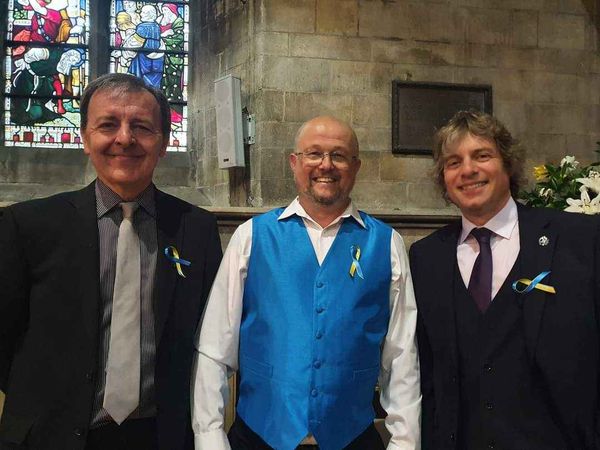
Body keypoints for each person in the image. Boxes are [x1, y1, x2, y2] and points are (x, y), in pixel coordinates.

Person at [0, 73, 222, 450]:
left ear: (164, 142)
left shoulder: (196, 229)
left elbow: (209, 336)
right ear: (85, 138)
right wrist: (45, 405)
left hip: (160, 436)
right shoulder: (28, 225)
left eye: (141, 127)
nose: (124, 138)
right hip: (50, 435)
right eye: (107, 125)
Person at [192, 116, 421, 450]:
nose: (325, 165)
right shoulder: (251, 237)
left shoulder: (386, 244)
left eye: (339, 155)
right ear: (294, 163)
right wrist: (210, 438)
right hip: (259, 439)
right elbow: (215, 348)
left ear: (356, 166)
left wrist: (404, 443)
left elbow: (401, 356)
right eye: (314, 153)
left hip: (352, 440)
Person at [409, 110, 600, 450]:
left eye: (482, 155)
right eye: (453, 162)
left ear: (508, 164)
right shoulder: (426, 258)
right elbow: (426, 373)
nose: (468, 170)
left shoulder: (579, 239)